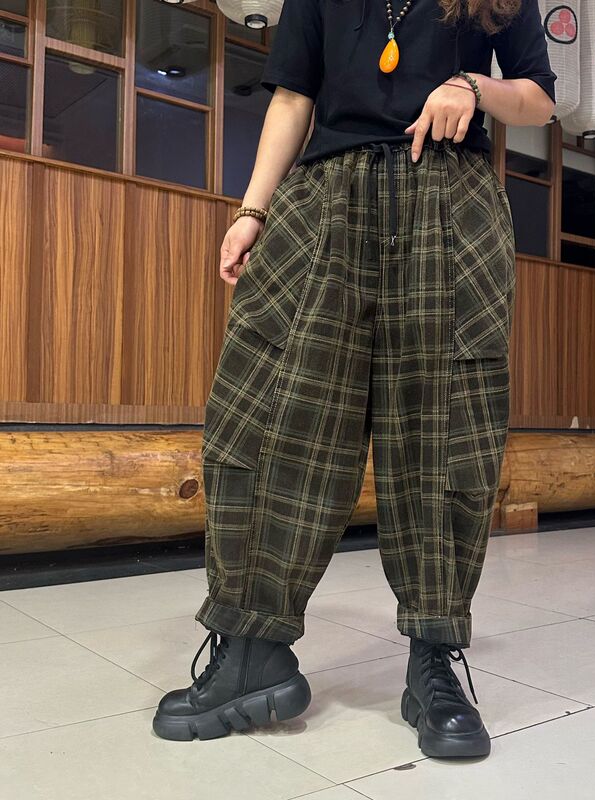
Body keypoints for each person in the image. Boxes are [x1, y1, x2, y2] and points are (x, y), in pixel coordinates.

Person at [153, 0, 556, 758]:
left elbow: (537, 97)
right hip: (324, 200)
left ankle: (433, 659)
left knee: (446, 431)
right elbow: (293, 96)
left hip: (451, 201)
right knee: (268, 413)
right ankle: (251, 649)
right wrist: (251, 210)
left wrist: (473, 86)